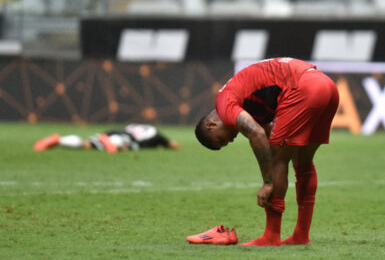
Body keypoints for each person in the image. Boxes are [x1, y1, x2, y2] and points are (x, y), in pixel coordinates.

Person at [194, 57, 339, 246]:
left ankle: (271, 237)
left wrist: (268, 182)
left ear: (211, 124)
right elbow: (269, 130)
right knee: (302, 162)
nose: (231, 140)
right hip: (326, 86)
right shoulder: (245, 101)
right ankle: (301, 236)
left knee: (277, 158)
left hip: (302, 88)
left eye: (221, 140)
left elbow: (257, 133)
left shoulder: (224, 103)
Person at [33, 124, 180, 153]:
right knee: (126, 144)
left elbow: (127, 129)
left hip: (112, 132)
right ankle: (113, 145)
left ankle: (60, 140)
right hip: (126, 139)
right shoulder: (155, 134)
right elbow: (172, 144)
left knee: (87, 144)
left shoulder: (134, 126)